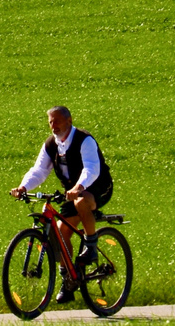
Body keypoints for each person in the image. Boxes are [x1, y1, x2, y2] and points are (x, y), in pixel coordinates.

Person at [9, 105, 114, 302]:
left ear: (69, 121)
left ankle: (91, 245)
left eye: (57, 121)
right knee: (61, 230)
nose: (53, 126)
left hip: (97, 186)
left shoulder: (84, 140)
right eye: (50, 122)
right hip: (71, 192)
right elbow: (39, 170)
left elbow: (92, 168)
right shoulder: (51, 145)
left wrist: (79, 187)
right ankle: (68, 280)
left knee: (82, 201)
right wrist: (23, 187)